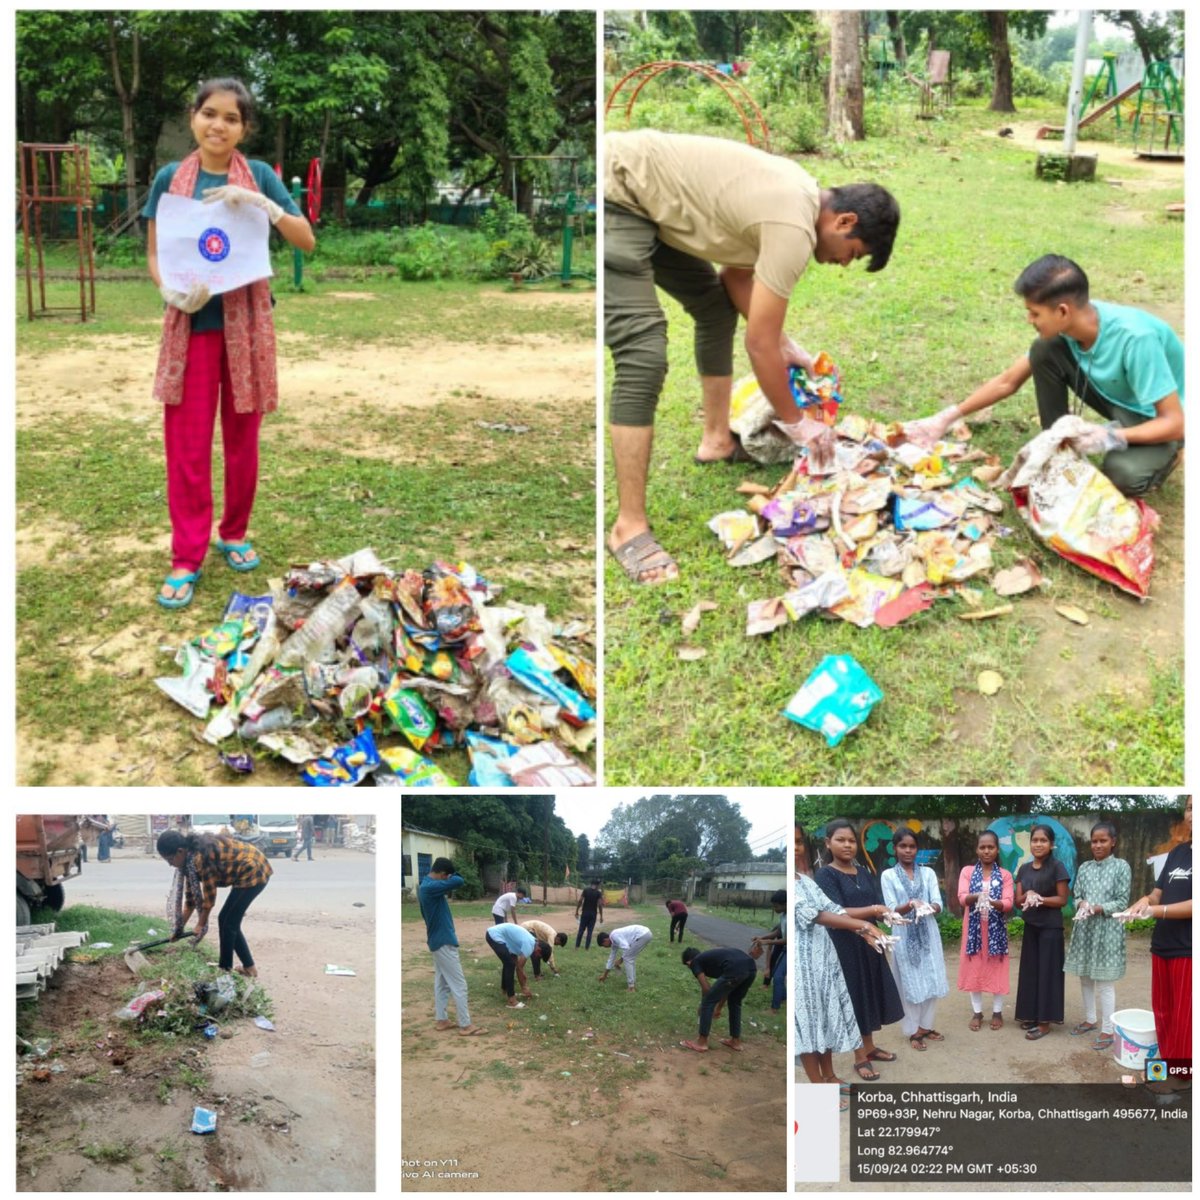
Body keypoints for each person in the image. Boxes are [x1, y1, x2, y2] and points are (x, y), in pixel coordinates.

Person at [604, 129, 900, 584]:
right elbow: (757, 345)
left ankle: (717, 440)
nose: (843, 264)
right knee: (643, 350)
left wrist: (786, 345)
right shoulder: (795, 228)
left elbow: (737, 279)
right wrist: (797, 424)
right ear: (843, 222)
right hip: (619, 192)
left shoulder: (797, 199)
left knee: (715, 309)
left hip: (653, 203)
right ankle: (629, 527)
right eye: (852, 254)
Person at [144, 78, 315, 609]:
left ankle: (234, 532)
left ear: (245, 128)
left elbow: (305, 239)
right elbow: (155, 252)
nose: (218, 125)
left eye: (231, 118)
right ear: (193, 117)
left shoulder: (259, 174)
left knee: (243, 439)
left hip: (247, 330)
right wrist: (169, 290)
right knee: (187, 444)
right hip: (192, 327)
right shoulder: (171, 179)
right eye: (209, 113)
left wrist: (262, 201)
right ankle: (186, 555)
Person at [905, 254, 1184, 497]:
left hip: (1159, 416)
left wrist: (1109, 437)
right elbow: (1008, 381)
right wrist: (946, 417)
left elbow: (1175, 422)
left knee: (1122, 474)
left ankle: (1170, 455)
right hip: (1115, 396)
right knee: (1044, 348)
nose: (1029, 320)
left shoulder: (1135, 339)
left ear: (1063, 311)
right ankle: (1056, 447)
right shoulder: (1074, 323)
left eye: (1034, 313)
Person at [814, 819, 904, 1080]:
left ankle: (870, 1047)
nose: (847, 845)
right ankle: (859, 1057)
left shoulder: (863, 871)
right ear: (828, 843)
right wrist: (874, 911)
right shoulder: (825, 875)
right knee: (854, 999)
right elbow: (835, 910)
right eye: (840, 840)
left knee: (870, 995)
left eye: (852, 840)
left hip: (870, 942)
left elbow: (876, 901)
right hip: (845, 946)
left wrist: (887, 914)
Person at [795, 870, 889, 1112]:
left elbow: (833, 908)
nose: (796, 848)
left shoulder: (805, 880)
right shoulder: (790, 883)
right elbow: (814, 914)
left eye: (798, 842)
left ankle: (830, 1077)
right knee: (809, 1024)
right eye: (793, 842)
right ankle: (817, 1088)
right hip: (802, 966)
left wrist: (864, 931)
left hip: (824, 959)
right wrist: (863, 923)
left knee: (826, 1018)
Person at [1127, 795, 1191, 1074]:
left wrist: (1157, 911)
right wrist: (1143, 902)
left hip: (1189, 949)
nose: (1193, 813)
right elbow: (1157, 892)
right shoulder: (1178, 852)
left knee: (1185, 1018)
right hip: (1162, 944)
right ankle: (1166, 1069)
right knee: (1163, 1013)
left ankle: (1181, 1077)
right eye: (1190, 807)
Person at [156, 829, 272, 977]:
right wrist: (178, 930)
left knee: (227, 922)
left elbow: (209, 899)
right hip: (247, 870)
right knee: (229, 921)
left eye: (170, 860)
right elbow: (190, 901)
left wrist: (200, 924)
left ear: (180, 851)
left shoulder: (200, 858)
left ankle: (225, 972)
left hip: (253, 870)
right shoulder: (189, 864)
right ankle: (249, 968)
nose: (170, 865)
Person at [1063, 821, 1131, 1050]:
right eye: (1094, 841)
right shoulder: (1084, 868)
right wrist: (1082, 903)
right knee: (1085, 977)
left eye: (1103, 841)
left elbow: (1122, 901)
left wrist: (1097, 908)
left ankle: (1108, 1030)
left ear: (1113, 842)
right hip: (1085, 929)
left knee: (1104, 982)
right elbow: (1076, 895)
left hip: (1108, 930)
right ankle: (1090, 1019)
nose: (1098, 845)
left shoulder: (1122, 866)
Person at [881, 828, 948, 1051]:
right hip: (904, 933)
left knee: (931, 978)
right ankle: (912, 1031)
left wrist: (929, 906)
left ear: (917, 849)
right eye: (903, 846)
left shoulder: (927, 873)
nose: (908, 850)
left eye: (912, 846)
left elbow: (938, 903)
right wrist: (910, 904)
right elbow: (890, 909)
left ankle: (926, 1026)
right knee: (910, 983)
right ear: (895, 848)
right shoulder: (888, 875)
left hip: (928, 931)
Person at [1014, 824, 1070, 1040]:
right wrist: (1027, 894)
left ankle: (1045, 1023)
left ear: (1051, 844)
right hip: (1031, 927)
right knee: (1030, 972)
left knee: (1048, 974)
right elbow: (1019, 902)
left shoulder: (1058, 867)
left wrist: (1040, 899)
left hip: (1051, 929)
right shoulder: (1024, 869)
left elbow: (1062, 900)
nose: (1038, 844)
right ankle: (1030, 1015)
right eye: (1035, 840)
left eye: (1043, 840)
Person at [418, 858, 485, 1037]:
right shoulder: (430, 887)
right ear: (442, 874)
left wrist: (447, 876)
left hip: (436, 941)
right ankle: (466, 1025)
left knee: (441, 983)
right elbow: (459, 880)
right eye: (445, 877)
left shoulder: (425, 885)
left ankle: (442, 1020)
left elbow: (454, 880)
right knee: (459, 984)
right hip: (444, 941)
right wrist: (452, 876)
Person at [958, 829, 1015, 1030]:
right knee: (975, 968)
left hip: (996, 930)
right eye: (983, 847)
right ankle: (977, 1012)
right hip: (974, 930)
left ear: (997, 850)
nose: (987, 851)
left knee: (996, 967)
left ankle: (997, 1012)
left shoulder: (1006, 875)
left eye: (991, 847)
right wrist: (978, 896)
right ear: (977, 849)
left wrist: (990, 901)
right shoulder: (967, 872)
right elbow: (962, 897)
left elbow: (1008, 903)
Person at [679, 946, 759, 1053]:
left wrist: (703, 1006)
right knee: (735, 1002)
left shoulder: (695, 962)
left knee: (708, 1002)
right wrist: (719, 1007)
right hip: (751, 968)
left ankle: (701, 1043)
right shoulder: (712, 959)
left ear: (689, 963)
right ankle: (736, 1041)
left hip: (735, 968)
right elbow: (726, 987)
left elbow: (707, 990)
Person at [484, 922, 551, 1009]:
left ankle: (505, 990)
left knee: (509, 962)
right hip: (494, 935)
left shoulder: (531, 941)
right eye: (538, 956)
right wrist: (524, 987)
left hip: (494, 933)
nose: (536, 957)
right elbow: (519, 968)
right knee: (510, 964)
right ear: (539, 949)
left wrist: (523, 977)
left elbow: (515, 959)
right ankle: (512, 1001)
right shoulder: (530, 944)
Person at [597, 925, 653, 991]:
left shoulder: (614, 936)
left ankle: (631, 988)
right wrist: (605, 975)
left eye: (604, 946)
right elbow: (611, 959)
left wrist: (620, 960)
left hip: (642, 934)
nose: (605, 947)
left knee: (628, 958)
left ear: (605, 940)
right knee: (630, 958)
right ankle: (632, 983)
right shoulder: (613, 942)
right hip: (645, 934)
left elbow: (626, 947)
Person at [574, 879, 604, 948]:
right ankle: (587, 948)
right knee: (590, 931)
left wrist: (577, 911)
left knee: (581, 930)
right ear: (597, 885)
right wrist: (601, 916)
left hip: (585, 913)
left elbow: (580, 900)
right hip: (593, 914)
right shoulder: (598, 893)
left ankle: (576, 946)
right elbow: (600, 904)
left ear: (591, 884)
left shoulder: (586, 890)